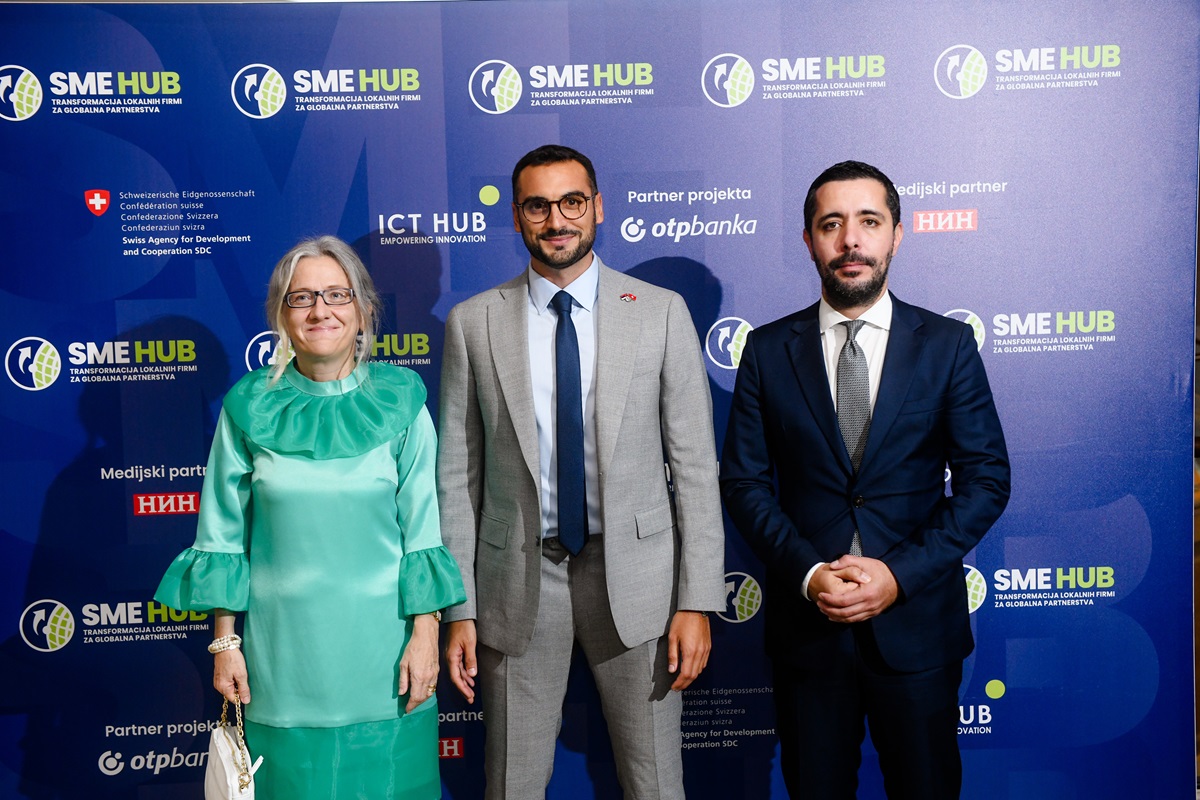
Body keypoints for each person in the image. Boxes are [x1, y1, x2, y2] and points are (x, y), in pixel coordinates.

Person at [437, 144, 726, 799]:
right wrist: (459, 607)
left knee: (655, 783)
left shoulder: (660, 311)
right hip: (516, 579)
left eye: (571, 202)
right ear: (517, 216)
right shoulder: (473, 323)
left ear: (597, 207)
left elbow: (694, 469)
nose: (556, 220)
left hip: (640, 581)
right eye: (538, 206)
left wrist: (696, 600)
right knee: (511, 783)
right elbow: (456, 478)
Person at [719, 161, 1010, 799]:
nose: (850, 240)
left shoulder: (947, 345)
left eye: (869, 222)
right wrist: (808, 573)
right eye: (832, 224)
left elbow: (986, 481)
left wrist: (897, 575)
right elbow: (743, 484)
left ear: (896, 235)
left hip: (918, 631)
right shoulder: (766, 351)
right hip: (809, 632)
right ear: (809, 241)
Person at [154, 235, 465, 799]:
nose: (320, 310)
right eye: (301, 298)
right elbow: (222, 536)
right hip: (281, 665)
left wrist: (426, 635)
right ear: (281, 314)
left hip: (387, 661)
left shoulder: (401, 403)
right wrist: (225, 644)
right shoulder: (248, 407)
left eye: (336, 295)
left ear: (363, 310)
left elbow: (423, 531)